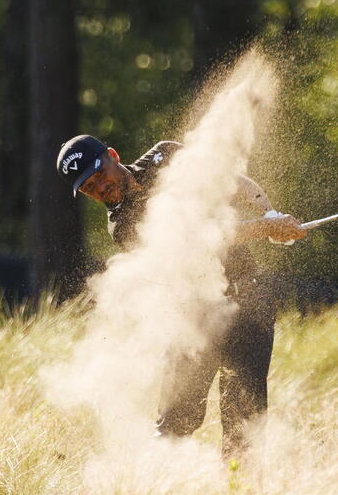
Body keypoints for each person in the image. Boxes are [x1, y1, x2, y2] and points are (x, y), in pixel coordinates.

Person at [56, 134, 306, 456]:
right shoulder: (123, 226)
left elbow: (231, 181)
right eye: (89, 187)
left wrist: (270, 214)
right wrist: (266, 228)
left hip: (250, 298)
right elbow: (207, 240)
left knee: (243, 422)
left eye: (100, 175)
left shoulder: (165, 156)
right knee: (175, 424)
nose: (100, 188)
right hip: (193, 318)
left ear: (113, 156)